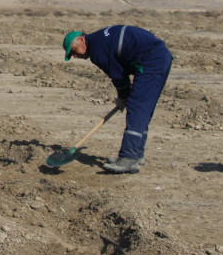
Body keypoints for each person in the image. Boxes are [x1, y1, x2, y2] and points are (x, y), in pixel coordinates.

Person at [63, 26, 173, 174]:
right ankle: (136, 154)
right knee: (142, 106)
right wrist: (125, 95)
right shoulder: (99, 39)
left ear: (81, 40)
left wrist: (123, 96)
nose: (75, 56)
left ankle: (128, 159)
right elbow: (120, 70)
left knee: (137, 105)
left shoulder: (97, 49)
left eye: (73, 52)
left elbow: (118, 75)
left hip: (152, 59)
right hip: (157, 57)